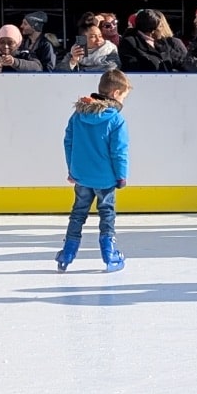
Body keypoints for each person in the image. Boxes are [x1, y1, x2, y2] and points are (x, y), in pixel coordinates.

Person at [58, 67, 132, 273]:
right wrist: (121, 176)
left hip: (82, 176)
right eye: (124, 96)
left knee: (78, 213)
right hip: (106, 179)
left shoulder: (78, 114)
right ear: (116, 93)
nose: (123, 101)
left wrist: (72, 169)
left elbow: (68, 142)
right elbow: (119, 151)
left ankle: (67, 253)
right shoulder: (116, 119)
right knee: (107, 214)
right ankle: (109, 254)